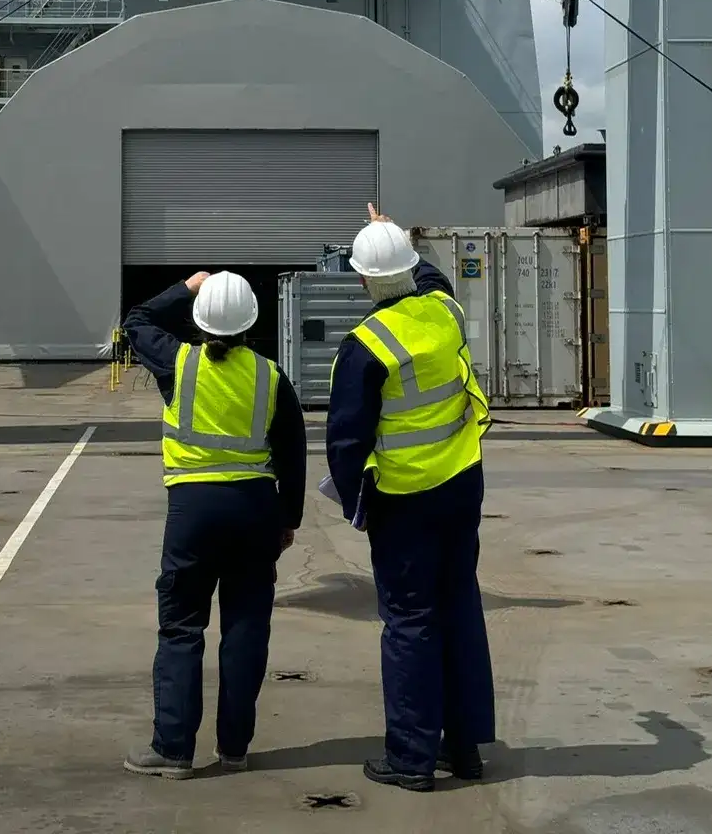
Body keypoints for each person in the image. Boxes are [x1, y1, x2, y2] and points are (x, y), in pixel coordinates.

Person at [326, 205, 494, 793]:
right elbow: (433, 280)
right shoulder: (445, 314)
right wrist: (391, 234)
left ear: (364, 280)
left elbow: (346, 442)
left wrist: (357, 505)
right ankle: (464, 749)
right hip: (462, 485)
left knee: (409, 622)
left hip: (404, 501)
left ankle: (412, 758)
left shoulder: (366, 344)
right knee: (459, 608)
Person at [123, 270, 307, 780]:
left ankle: (174, 749)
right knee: (246, 628)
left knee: (182, 626)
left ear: (200, 324)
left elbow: (135, 320)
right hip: (254, 509)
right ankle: (234, 748)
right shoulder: (272, 377)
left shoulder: (178, 363)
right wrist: (287, 519)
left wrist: (187, 286)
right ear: (252, 324)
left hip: (193, 510)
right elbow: (293, 454)